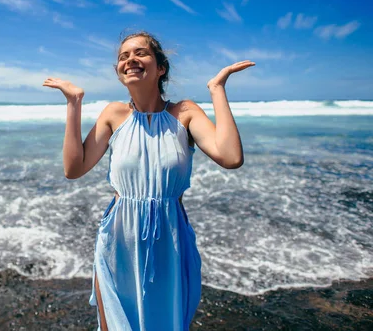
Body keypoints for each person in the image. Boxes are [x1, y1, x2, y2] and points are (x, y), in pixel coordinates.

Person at [43, 31, 254, 330]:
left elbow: (231, 157)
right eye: (123, 56)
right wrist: (73, 103)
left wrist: (217, 89)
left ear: (161, 67)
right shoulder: (113, 114)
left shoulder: (185, 113)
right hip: (118, 242)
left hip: (171, 240)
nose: (130, 60)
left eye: (140, 53)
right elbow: (73, 169)